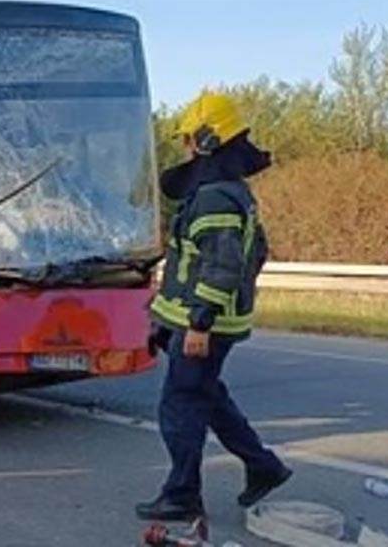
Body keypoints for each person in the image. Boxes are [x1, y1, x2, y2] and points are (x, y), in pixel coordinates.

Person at [138, 91, 291, 521]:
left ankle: (182, 496)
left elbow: (222, 266)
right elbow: (218, 261)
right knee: (207, 397)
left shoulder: (215, 198)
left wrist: (201, 323)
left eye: (188, 139)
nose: (184, 148)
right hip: (191, 319)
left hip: (203, 323)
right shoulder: (225, 192)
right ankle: (264, 466)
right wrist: (162, 321)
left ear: (206, 141)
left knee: (181, 406)